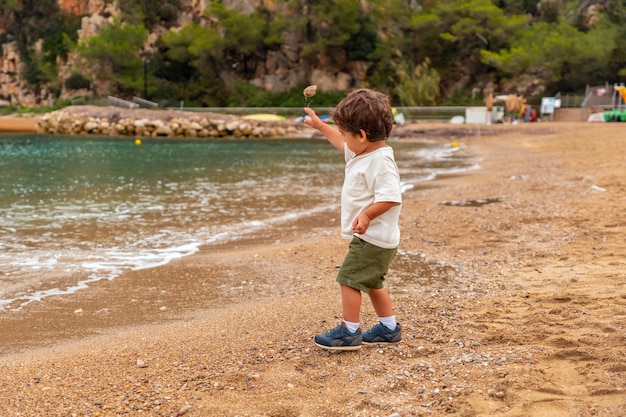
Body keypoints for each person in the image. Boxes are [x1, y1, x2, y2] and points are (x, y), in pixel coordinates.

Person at [303, 88, 402, 351]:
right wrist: (320, 126)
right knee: (372, 282)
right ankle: (389, 328)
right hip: (378, 238)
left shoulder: (380, 161)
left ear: (362, 135)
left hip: (372, 238)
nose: (344, 139)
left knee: (348, 279)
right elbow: (340, 141)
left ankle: (349, 332)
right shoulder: (363, 151)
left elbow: (391, 197)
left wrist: (367, 215)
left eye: (348, 134)